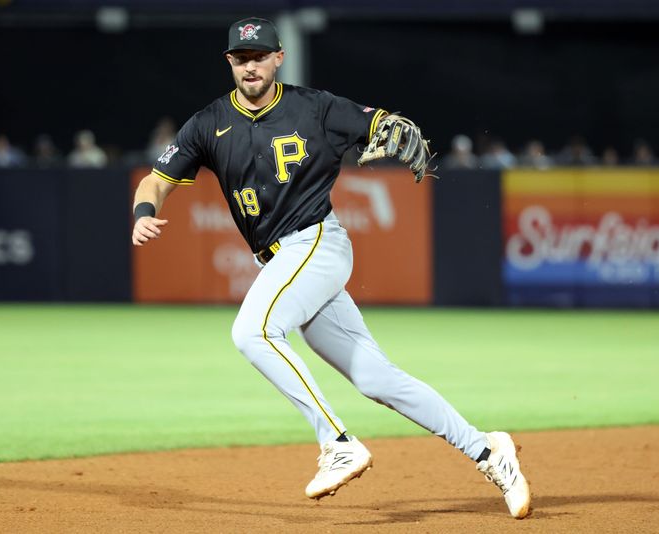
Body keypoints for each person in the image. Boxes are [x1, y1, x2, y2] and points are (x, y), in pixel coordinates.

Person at [131, 17, 531, 519]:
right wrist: (145, 212)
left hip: (316, 241)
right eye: (241, 58)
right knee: (377, 379)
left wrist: (389, 127)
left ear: (279, 58)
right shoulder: (208, 123)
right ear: (229, 63)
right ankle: (489, 450)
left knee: (253, 332)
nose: (250, 65)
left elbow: (382, 124)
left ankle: (336, 442)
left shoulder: (315, 106)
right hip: (286, 260)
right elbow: (155, 180)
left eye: (260, 56)